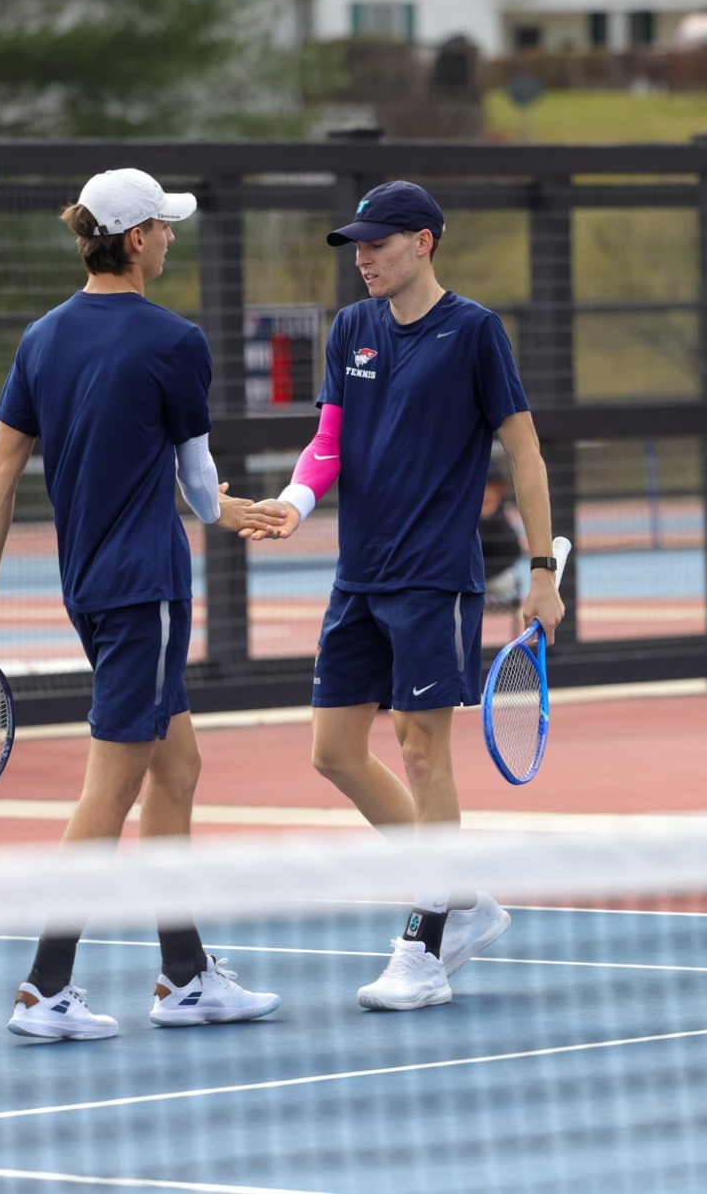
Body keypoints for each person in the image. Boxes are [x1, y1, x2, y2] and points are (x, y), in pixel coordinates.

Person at [0, 167, 280, 1041]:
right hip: (148, 593)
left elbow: (3, 476)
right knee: (112, 789)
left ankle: (184, 976)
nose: (173, 237)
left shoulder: (40, 338)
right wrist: (236, 511)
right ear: (134, 240)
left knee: (179, 768)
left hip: (90, 591)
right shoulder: (176, 340)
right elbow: (202, 493)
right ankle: (43, 985)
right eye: (165, 227)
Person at [237, 180, 566, 1011]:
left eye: (378, 243)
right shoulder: (351, 329)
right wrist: (296, 502)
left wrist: (541, 570)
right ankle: (459, 894)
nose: (363, 257)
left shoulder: (475, 333)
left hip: (433, 577)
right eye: (356, 244)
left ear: (423, 242)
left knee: (422, 750)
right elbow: (329, 440)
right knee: (335, 752)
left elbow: (524, 454)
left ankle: (424, 942)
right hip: (359, 573)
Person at [480, 464, 528, 632]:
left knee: (507, 581)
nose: (488, 495)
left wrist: (488, 518)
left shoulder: (500, 519)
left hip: (491, 579)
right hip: (465, 577)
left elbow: (513, 552)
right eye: (485, 489)